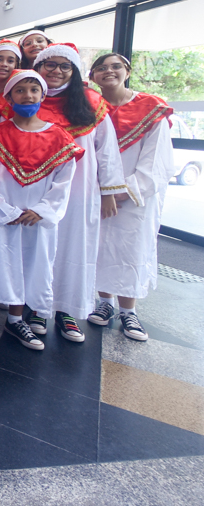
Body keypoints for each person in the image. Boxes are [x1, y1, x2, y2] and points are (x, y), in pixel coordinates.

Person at [33, 43, 123, 342]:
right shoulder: (27, 98)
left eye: (64, 66)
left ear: (74, 72)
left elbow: (106, 150)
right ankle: (34, 306)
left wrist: (109, 190)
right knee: (37, 246)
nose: (56, 71)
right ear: (39, 68)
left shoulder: (90, 102)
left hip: (79, 188)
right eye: (50, 65)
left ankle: (67, 310)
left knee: (74, 247)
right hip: (36, 185)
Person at [0, 70, 83, 351]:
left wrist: (42, 210)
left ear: (43, 95)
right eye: (20, 90)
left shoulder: (59, 137)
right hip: (2, 216)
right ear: (9, 97)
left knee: (32, 262)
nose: (27, 95)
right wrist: (3, 209)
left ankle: (17, 318)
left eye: (33, 90)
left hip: (35, 219)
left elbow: (64, 181)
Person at [87, 53, 175, 342]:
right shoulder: (92, 108)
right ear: (93, 76)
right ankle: (104, 302)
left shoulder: (151, 108)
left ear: (127, 70)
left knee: (129, 248)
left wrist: (123, 191)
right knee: (99, 247)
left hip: (134, 196)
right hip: (96, 193)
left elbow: (157, 161)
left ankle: (129, 311)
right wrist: (100, 191)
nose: (108, 71)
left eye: (115, 67)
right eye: (101, 68)